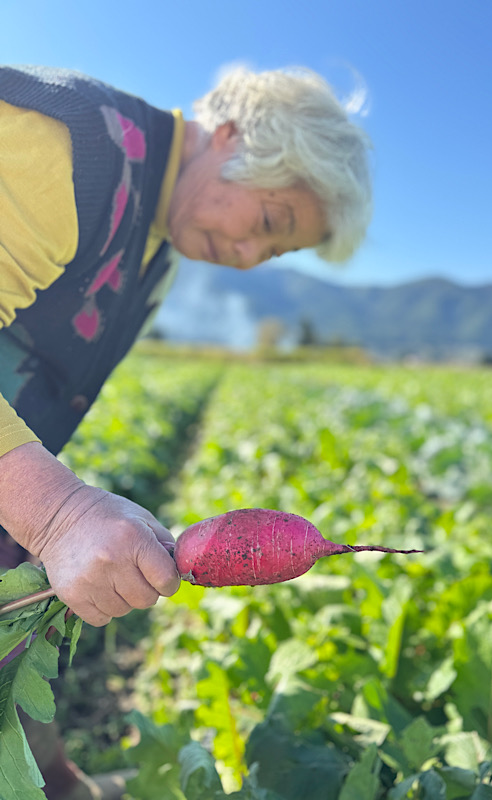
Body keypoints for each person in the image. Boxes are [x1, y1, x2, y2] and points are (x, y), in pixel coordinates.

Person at [0, 63, 372, 799]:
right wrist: (58, 511)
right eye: (268, 222)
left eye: (273, 252)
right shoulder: (64, 148)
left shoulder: (156, 248)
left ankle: (57, 787)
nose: (246, 256)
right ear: (232, 136)